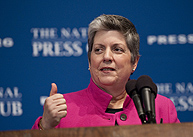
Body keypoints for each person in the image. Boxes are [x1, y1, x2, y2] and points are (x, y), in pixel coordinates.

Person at [32, 14, 180, 130]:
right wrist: (45, 126)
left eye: (117, 49)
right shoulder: (63, 110)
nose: (107, 57)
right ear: (90, 61)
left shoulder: (160, 107)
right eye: (98, 50)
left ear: (134, 62)